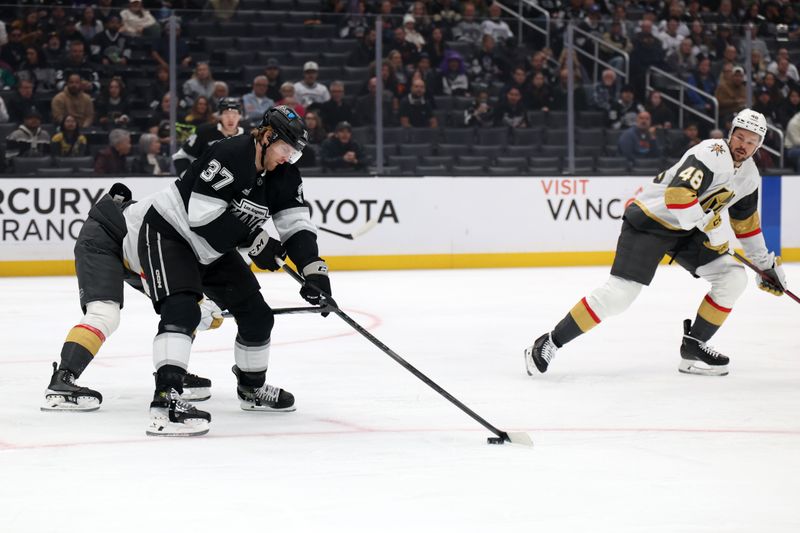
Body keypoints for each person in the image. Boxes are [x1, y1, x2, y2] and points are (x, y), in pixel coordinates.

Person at [525, 109, 788, 378]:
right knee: (619, 296)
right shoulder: (711, 153)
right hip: (651, 222)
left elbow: (746, 226)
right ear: (731, 134)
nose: (743, 145)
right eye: (739, 136)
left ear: (759, 145)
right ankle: (550, 341)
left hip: (687, 231)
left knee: (733, 278)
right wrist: (709, 225)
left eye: (751, 141)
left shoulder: (749, 177)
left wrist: (766, 265)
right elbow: (677, 196)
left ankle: (694, 346)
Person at [137, 105, 329, 436]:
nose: (288, 158)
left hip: (214, 248)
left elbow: (295, 224)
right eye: (285, 149)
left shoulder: (283, 175)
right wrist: (256, 239)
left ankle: (252, 390)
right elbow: (201, 218)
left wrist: (314, 271)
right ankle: (165, 402)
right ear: (267, 137)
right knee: (181, 310)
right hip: (172, 233)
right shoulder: (229, 153)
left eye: (294, 154)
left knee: (257, 315)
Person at [43, 184, 221, 412]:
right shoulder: (180, 228)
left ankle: (172, 374)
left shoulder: (194, 221)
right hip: (107, 238)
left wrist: (198, 306)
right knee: (104, 313)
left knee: (181, 303)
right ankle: (62, 380)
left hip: (135, 246)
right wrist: (201, 308)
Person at [173, 97, 244, 176]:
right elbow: (181, 155)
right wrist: (186, 177)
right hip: (205, 184)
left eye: (234, 115)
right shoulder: (204, 132)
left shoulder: (248, 137)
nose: (230, 119)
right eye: (226, 114)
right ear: (220, 115)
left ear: (240, 116)